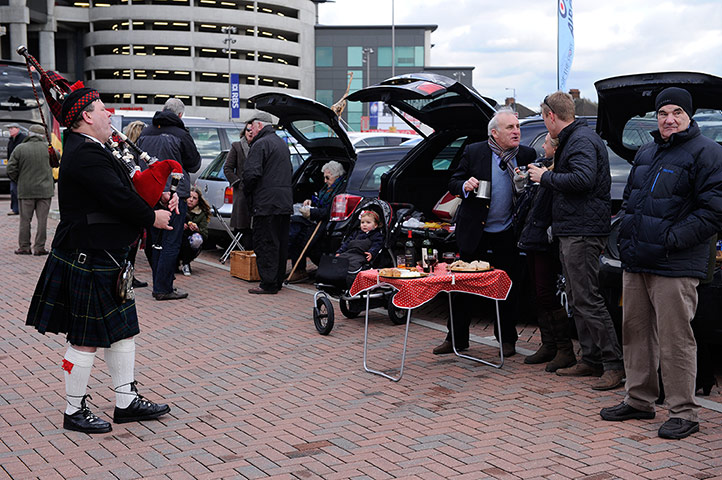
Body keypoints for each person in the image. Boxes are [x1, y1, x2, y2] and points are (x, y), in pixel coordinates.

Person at [25, 87, 173, 434]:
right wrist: (153, 217)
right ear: (87, 116)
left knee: (122, 333)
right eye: (104, 109)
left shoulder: (93, 148)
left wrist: (155, 195)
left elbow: (124, 189)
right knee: (84, 338)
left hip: (105, 254)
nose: (110, 115)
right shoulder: (86, 154)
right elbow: (118, 198)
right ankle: (73, 409)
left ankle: (126, 401)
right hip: (90, 255)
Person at [600, 87, 722, 439]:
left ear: (689, 116)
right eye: (663, 113)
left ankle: (684, 411)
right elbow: (631, 202)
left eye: (677, 113)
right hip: (637, 259)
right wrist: (626, 238)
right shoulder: (647, 151)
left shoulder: (708, 153)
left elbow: (713, 211)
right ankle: (639, 399)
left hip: (676, 263)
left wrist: (671, 239)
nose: (669, 119)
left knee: (676, 339)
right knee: (635, 333)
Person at [530, 91, 624, 391]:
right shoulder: (577, 138)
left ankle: (613, 364)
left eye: (544, 118)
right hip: (574, 228)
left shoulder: (581, 140)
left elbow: (582, 180)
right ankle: (592, 358)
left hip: (583, 230)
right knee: (576, 297)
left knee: (587, 298)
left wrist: (545, 177)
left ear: (550, 116)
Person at [435, 107, 536, 357]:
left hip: (508, 232)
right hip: (476, 231)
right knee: (461, 287)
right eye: (510, 127)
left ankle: (507, 340)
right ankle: (456, 339)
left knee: (507, 288)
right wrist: (465, 185)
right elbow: (453, 181)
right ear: (494, 133)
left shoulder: (526, 154)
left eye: (518, 126)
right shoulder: (475, 151)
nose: (516, 131)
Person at [515, 133, 575, 372]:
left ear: (556, 147)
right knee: (537, 293)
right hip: (532, 236)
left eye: (547, 142)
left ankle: (564, 349)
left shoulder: (556, 174)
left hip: (545, 240)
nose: (542, 145)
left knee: (546, 293)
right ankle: (549, 344)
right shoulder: (543, 170)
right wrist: (524, 182)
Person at [137, 98, 201, 300]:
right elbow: (194, 164)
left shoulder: (145, 132)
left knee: (153, 240)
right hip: (174, 194)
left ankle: (160, 282)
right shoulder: (181, 134)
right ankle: (163, 288)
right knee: (171, 241)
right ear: (180, 115)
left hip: (149, 193)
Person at [242, 111, 292, 294]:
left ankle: (268, 283)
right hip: (283, 203)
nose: (250, 130)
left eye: (251, 126)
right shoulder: (281, 143)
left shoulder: (260, 144)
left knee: (266, 243)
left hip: (266, 203)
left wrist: (248, 192)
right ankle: (277, 280)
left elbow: (251, 174)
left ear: (259, 125)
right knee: (280, 242)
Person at [288, 160, 346, 282]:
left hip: (325, 222)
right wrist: (311, 202)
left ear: (337, 176)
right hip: (317, 218)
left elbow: (329, 211)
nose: (324, 181)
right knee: (295, 225)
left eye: (327, 177)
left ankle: (300, 270)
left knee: (302, 236)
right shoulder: (328, 186)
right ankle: (298, 269)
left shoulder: (340, 190)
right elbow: (319, 200)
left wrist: (312, 213)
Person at [7, 125, 55, 256]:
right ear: (43, 136)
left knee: (25, 220)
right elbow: (57, 159)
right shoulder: (48, 148)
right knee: (42, 220)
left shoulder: (20, 148)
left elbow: (10, 168)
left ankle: (24, 247)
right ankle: (39, 247)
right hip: (45, 190)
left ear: (29, 134)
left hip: (26, 189)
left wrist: (19, 179)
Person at [122, 120, 148, 288]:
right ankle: (127, 277)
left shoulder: (123, 150)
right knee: (130, 243)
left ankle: (128, 276)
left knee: (129, 243)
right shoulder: (133, 154)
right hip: (134, 200)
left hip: (128, 200)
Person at [223, 121, 253, 249]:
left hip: (257, 194)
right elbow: (227, 168)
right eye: (248, 130)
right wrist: (238, 183)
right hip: (242, 194)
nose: (250, 132)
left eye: (252, 130)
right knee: (242, 228)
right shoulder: (237, 146)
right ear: (244, 132)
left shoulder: (261, 146)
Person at [335, 209, 384, 273]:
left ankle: (350, 275)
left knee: (354, 263)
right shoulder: (356, 233)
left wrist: (371, 253)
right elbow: (346, 243)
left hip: (361, 254)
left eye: (368, 222)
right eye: (362, 222)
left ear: (375, 225)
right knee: (338, 260)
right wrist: (340, 251)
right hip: (349, 252)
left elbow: (377, 245)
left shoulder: (376, 235)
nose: (364, 224)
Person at [179, 186, 210, 276]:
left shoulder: (201, 213)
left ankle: (186, 262)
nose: (191, 200)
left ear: (198, 200)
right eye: (189, 197)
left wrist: (197, 230)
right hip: (178, 236)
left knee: (196, 239)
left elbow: (205, 233)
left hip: (190, 239)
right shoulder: (179, 207)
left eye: (194, 198)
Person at [6, 123, 26, 215]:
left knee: (20, 190)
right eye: (9, 129)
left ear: (17, 129)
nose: (10, 130)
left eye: (11, 128)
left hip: (22, 169)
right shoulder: (11, 140)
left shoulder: (23, 139)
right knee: (13, 190)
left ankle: (22, 209)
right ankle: (15, 209)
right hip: (14, 169)